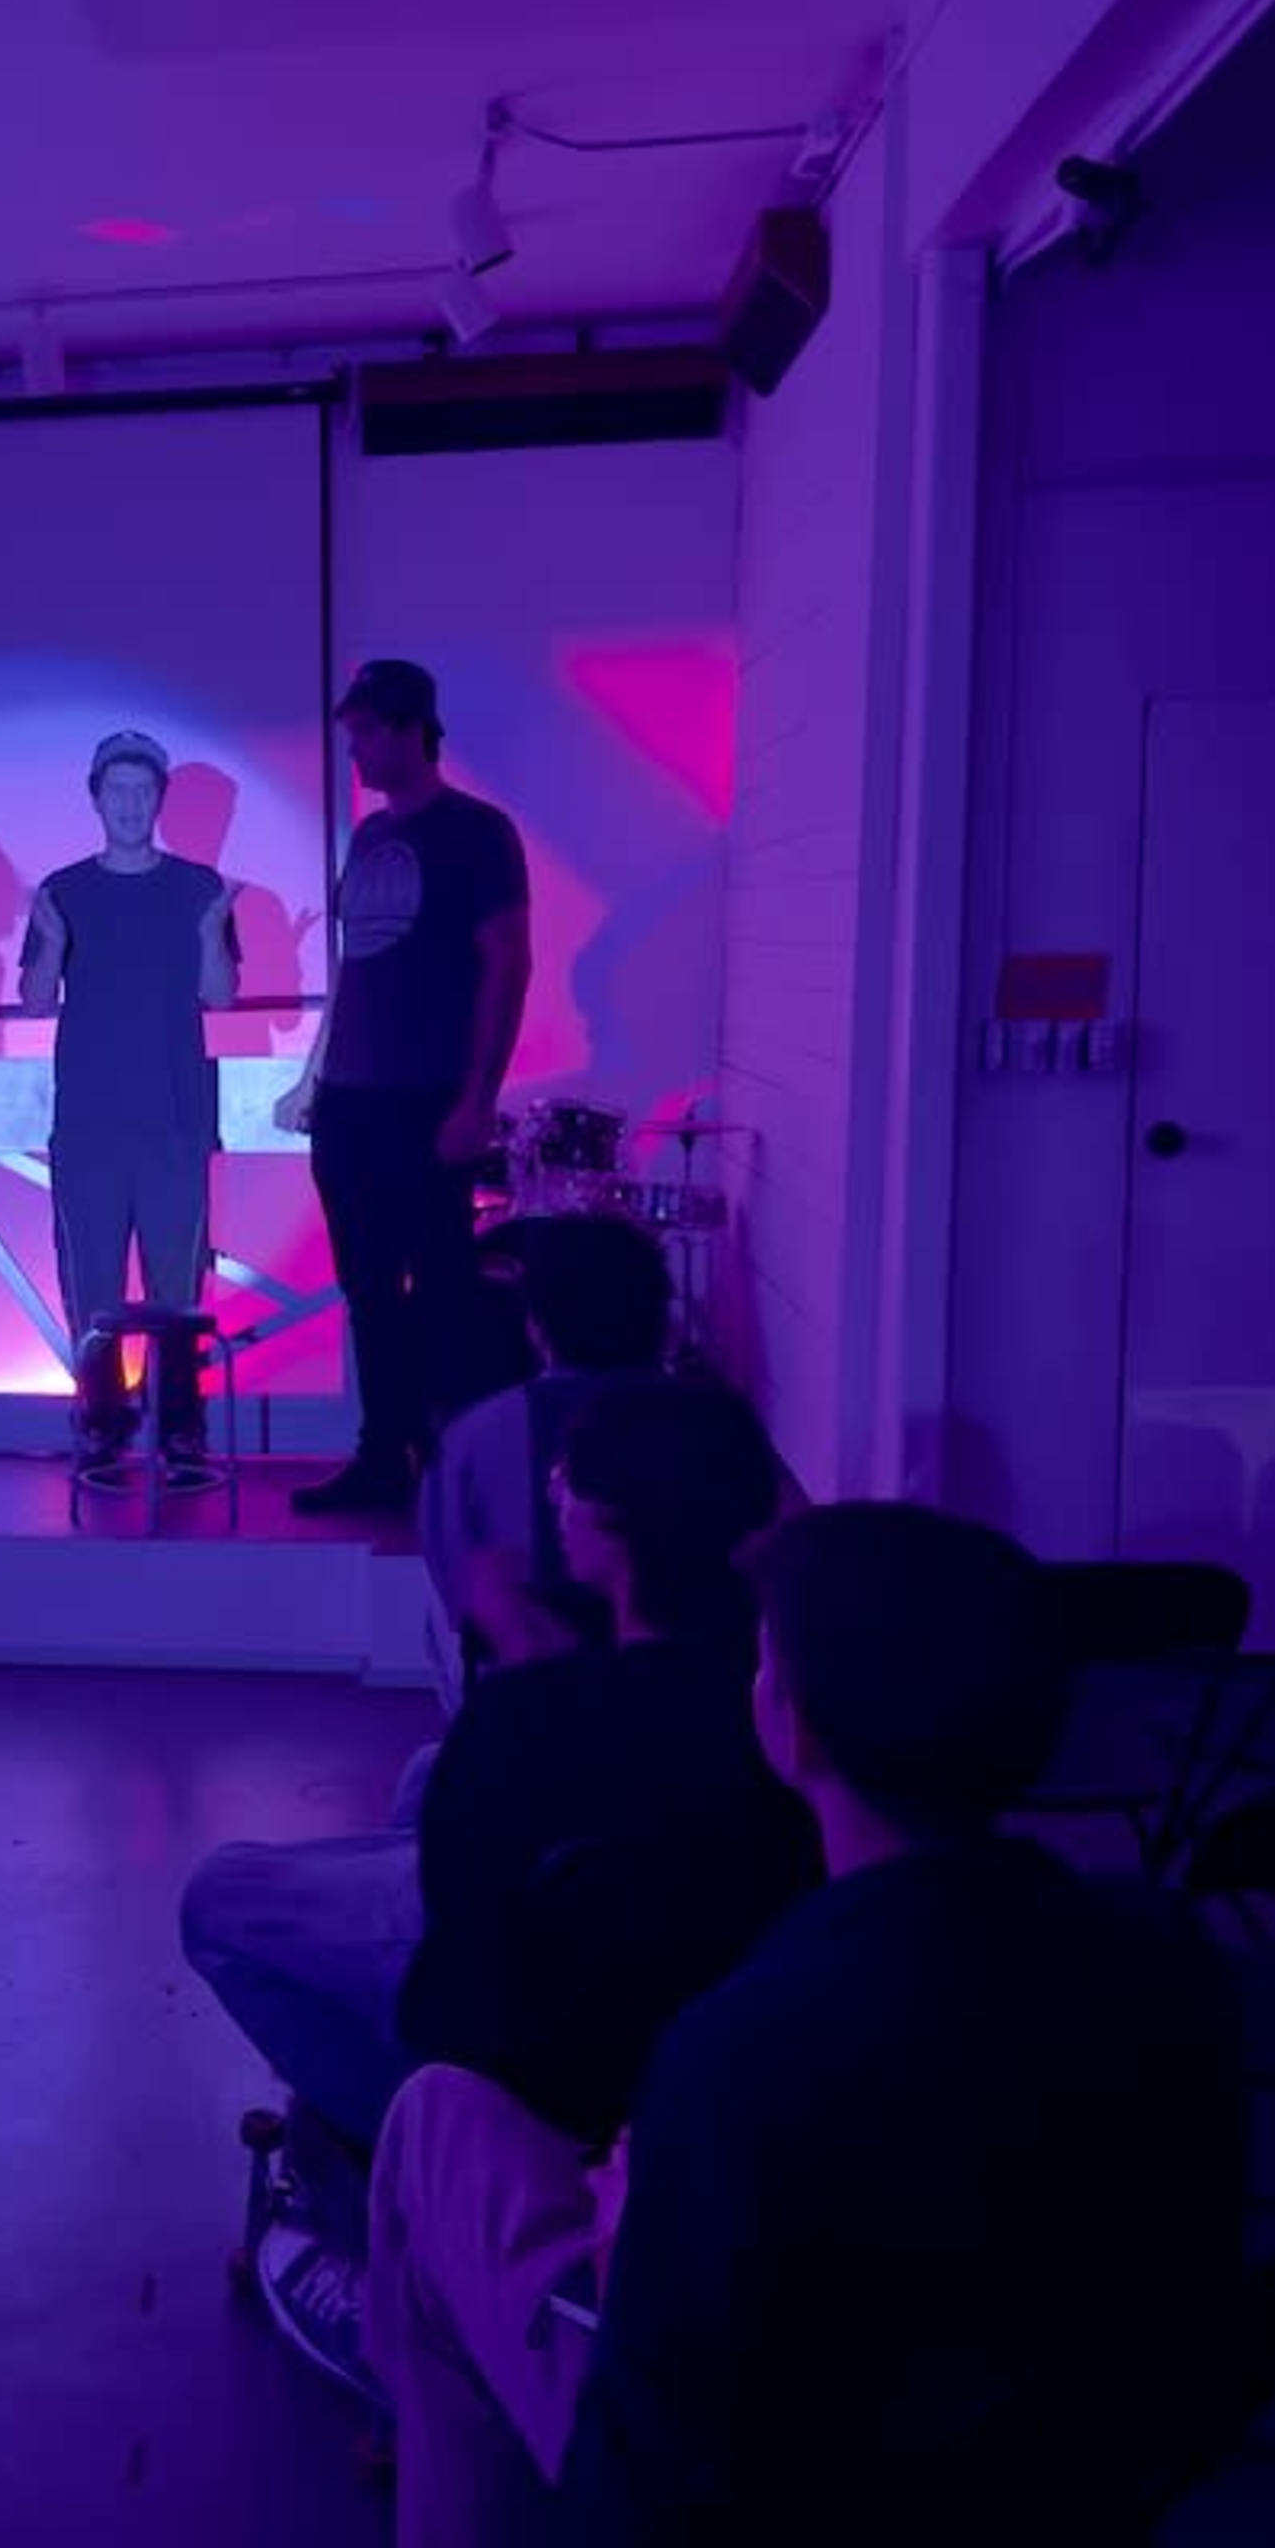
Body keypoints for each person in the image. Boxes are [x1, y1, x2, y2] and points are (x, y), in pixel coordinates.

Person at [362, 1503, 1247, 2548]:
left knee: (434, 2121)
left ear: (792, 1725)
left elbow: (649, 2481)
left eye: (765, 1656)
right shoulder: (1168, 1959)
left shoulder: (746, 2050)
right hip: (1061, 2527)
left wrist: (628, 2231)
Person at [182, 1376, 806, 2386]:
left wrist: (518, 1661)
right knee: (424, 1780)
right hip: (684, 2000)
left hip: (549, 2041)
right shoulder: (776, 1691)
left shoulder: (529, 1721)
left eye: (569, 1476)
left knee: (220, 1898)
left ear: (605, 1524)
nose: (551, 1486)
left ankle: (393, 2213)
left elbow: (459, 1966)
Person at [275, 658, 530, 1516]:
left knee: (445, 1287)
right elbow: (356, 970)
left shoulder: (477, 833)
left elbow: (507, 964)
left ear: (411, 726)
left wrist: (477, 1098)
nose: (354, 751)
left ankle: (461, 1468)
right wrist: (318, 1077)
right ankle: (385, 1454)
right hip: (352, 1100)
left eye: (364, 733)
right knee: (369, 1288)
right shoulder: (372, 838)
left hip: (427, 1098)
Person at [19, 728, 240, 1475]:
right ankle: (102, 1423)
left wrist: (211, 935)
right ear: (95, 798)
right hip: (88, 1124)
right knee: (94, 1285)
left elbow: (220, 993)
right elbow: (35, 1000)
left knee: (177, 1284)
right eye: (116, 790)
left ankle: (180, 1427)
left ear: (160, 799)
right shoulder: (62, 890)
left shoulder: (199, 888)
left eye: (142, 791)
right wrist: (49, 941)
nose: (130, 804)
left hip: (174, 1120)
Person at [416, 1215, 690, 1711]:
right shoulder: (709, 1427)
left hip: (524, 1691)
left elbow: (456, 1581)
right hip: (691, 1696)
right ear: (661, 1320)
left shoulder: (474, 1437)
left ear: (537, 1327)